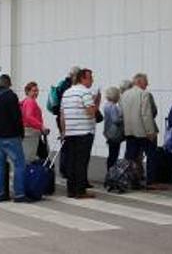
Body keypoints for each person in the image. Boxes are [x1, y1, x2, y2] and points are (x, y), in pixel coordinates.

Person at [0, 75, 26, 202]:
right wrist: (21, 133)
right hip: (11, 136)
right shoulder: (11, 97)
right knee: (19, 164)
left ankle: (0, 194)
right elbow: (17, 118)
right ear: (9, 84)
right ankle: (19, 194)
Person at [60, 68, 98, 198]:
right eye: (90, 78)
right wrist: (96, 102)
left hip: (70, 132)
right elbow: (91, 112)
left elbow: (62, 115)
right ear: (83, 78)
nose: (92, 80)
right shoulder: (86, 92)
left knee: (71, 162)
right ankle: (80, 191)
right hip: (84, 132)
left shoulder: (66, 93)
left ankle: (71, 190)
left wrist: (64, 132)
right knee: (81, 162)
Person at [120, 73, 159, 188]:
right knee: (151, 155)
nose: (147, 84)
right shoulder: (144, 94)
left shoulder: (124, 95)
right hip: (142, 132)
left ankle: (131, 180)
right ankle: (151, 181)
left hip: (129, 131)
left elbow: (122, 113)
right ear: (139, 82)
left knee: (131, 157)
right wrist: (150, 131)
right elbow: (146, 114)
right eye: (146, 81)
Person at [47, 66, 79, 180]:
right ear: (74, 76)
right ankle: (66, 170)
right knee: (67, 144)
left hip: (61, 117)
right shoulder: (68, 87)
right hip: (65, 118)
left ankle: (64, 169)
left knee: (64, 142)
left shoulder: (62, 84)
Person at [19, 82, 48, 164]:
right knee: (43, 156)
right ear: (27, 91)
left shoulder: (24, 102)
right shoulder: (30, 102)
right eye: (34, 91)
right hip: (32, 133)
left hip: (29, 132)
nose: (36, 93)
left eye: (37, 91)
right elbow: (29, 117)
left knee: (40, 154)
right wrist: (41, 126)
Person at [101, 86, 124, 169]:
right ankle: (111, 171)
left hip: (108, 131)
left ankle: (109, 170)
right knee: (114, 154)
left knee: (111, 153)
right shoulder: (113, 106)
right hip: (115, 133)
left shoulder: (106, 105)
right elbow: (116, 120)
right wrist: (123, 118)